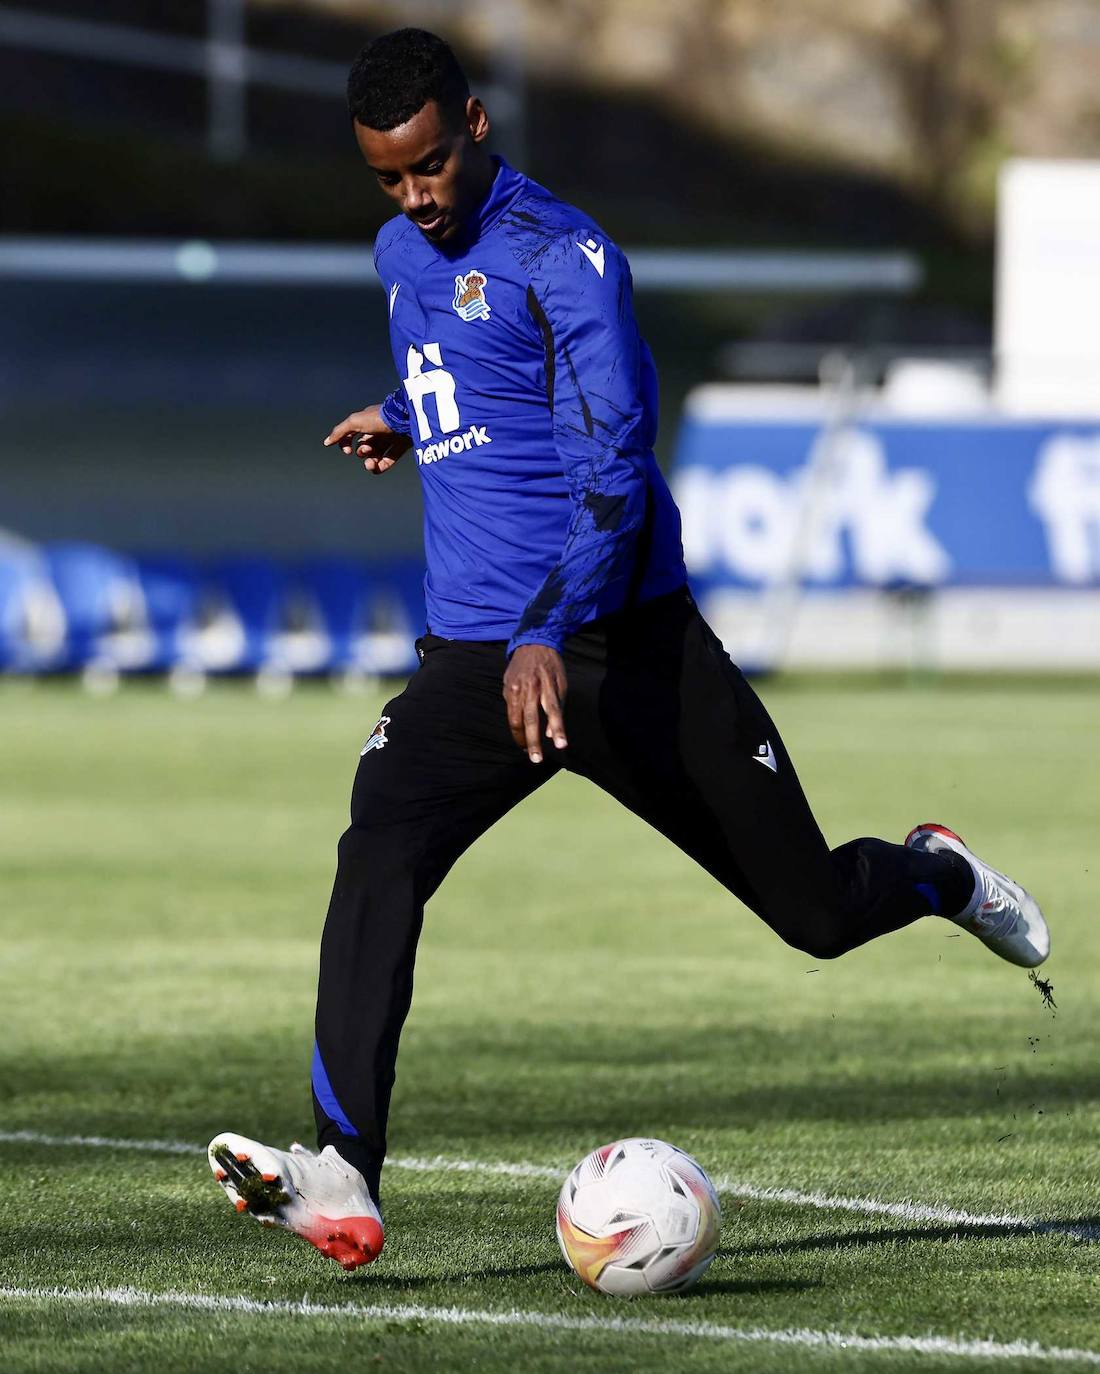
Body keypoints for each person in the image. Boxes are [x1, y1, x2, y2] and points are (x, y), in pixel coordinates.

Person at [207, 28, 1049, 1271]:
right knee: (378, 841)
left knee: (814, 913)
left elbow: (610, 465)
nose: (414, 198)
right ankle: (342, 1169)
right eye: (388, 178)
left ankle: (931, 873)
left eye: (430, 165)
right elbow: (475, 378)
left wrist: (547, 631)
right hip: (473, 663)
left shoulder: (570, 258)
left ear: (476, 124)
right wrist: (404, 413)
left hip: (623, 651)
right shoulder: (399, 251)